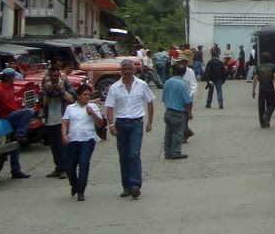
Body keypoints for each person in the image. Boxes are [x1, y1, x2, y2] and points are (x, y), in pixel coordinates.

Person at [104, 59, 155, 198]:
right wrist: (111, 125)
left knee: (134, 154)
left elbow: (150, 102)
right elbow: (109, 107)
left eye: (129, 69)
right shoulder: (115, 87)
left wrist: (150, 122)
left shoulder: (142, 85)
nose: (127, 71)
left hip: (136, 124)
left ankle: (135, 185)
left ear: (133, 70)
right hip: (121, 124)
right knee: (124, 156)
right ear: (121, 71)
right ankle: (126, 186)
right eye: (124, 69)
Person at [0, 68, 36, 178]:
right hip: (6, 117)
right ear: (10, 77)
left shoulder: (10, 87)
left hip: (12, 114)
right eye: (13, 77)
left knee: (15, 145)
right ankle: (20, 134)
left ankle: (16, 171)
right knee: (29, 111)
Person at [61, 83, 105, 200]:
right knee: (70, 166)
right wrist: (64, 135)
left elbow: (100, 124)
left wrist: (93, 113)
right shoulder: (70, 108)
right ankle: (74, 184)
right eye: (85, 95)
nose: (87, 97)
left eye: (89, 95)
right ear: (79, 96)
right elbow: (65, 123)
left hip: (88, 138)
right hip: (73, 138)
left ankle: (81, 191)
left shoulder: (93, 107)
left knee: (84, 163)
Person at [39, 67, 75, 178]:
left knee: (62, 145)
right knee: (54, 147)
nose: (54, 78)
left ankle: (66, 169)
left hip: (62, 119)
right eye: (52, 76)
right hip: (50, 120)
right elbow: (42, 104)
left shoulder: (65, 84)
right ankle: (58, 167)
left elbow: (73, 99)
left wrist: (61, 91)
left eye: (56, 76)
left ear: (59, 75)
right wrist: (49, 93)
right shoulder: (45, 86)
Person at [162, 62, 193, 159]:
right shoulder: (183, 84)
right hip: (179, 112)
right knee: (178, 133)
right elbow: (186, 100)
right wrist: (189, 112)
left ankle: (167, 152)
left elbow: (164, 97)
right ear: (184, 73)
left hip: (168, 111)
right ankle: (175, 152)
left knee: (168, 133)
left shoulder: (167, 82)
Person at [252, 52, 275, 128]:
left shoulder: (258, 67)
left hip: (262, 88)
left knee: (261, 106)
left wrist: (253, 90)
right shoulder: (273, 66)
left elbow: (255, 79)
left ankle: (263, 123)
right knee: (272, 104)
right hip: (270, 87)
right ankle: (267, 115)